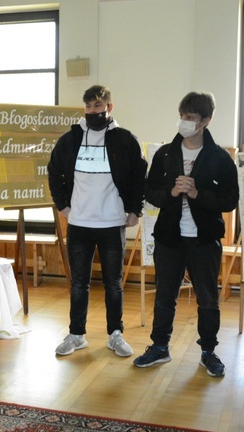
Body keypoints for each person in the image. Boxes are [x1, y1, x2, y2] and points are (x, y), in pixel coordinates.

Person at [133, 92, 238, 377]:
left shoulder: (219, 158)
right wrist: (172, 192)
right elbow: (150, 192)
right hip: (170, 238)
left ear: (205, 120)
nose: (184, 122)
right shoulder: (166, 153)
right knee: (164, 296)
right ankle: (159, 346)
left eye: (190, 117)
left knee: (208, 299)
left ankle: (208, 350)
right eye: (182, 116)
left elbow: (229, 200)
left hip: (204, 241)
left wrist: (197, 193)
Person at [47, 85, 147, 357]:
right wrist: (63, 206)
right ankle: (76, 334)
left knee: (113, 283)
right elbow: (54, 172)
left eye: (98, 106)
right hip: (79, 223)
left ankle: (115, 334)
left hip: (112, 222)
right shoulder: (70, 139)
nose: (93, 111)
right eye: (89, 106)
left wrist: (134, 210)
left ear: (109, 108)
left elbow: (140, 177)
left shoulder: (126, 140)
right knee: (79, 282)